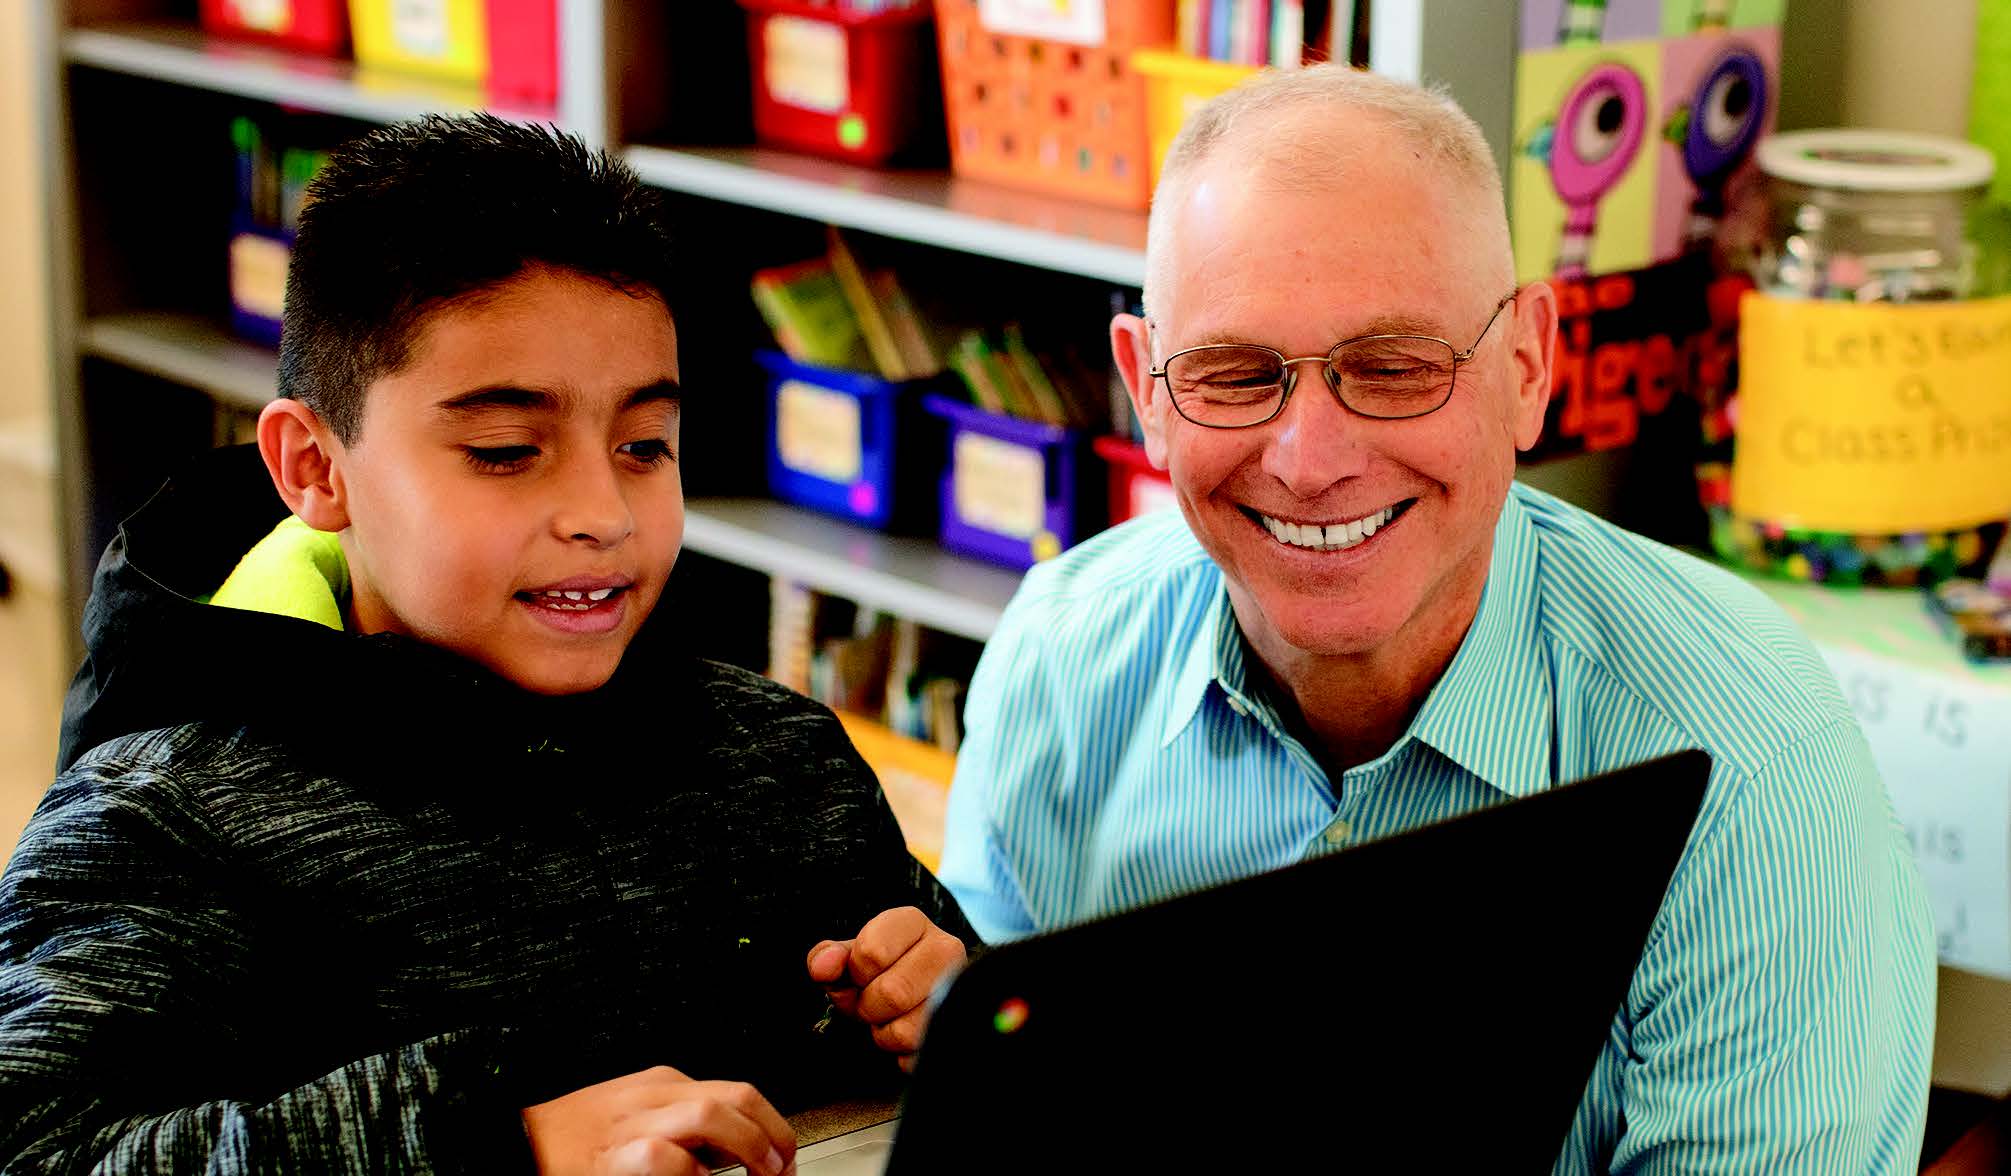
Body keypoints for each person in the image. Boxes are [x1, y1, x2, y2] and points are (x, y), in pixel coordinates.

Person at [938, 65, 1934, 1172]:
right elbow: (991, 1119)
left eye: (1394, 367)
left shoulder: (1748, 766)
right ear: (1147, 393)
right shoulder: (1059, 664)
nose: (1308, 462)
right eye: (1231, 373)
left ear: (1524, 368)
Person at [1, 114, 970, 1176]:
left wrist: (942, 1003)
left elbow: (965, 1024)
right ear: (314, 468)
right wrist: (496, 1141)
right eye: (507, 452)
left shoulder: (778, 757)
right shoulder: (158, 824)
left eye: (644, 445)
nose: (603, 511)